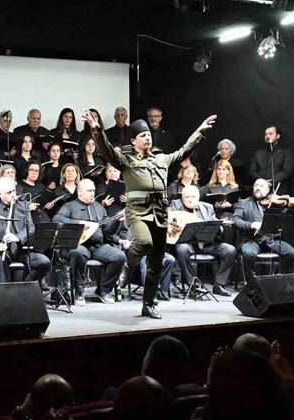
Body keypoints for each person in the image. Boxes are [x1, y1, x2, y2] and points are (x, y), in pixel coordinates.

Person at [86, 109, 217, 319]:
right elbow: (107, 150)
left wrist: (199, 131)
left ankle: (148, 304)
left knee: (156, 263)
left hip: (159, 214)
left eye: (148, 134)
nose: (147, 137)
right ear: (133, 140)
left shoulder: (161, 159)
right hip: (137, 212)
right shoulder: (126, 160)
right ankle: (127, 268)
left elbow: (184, 151)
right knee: (144, 243)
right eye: (142, 135)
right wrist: (96, 130)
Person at [52, 179, 126, 305]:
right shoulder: (70, 206)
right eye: (89, 191)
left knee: (119, 257)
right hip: (78, 245)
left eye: (93, 190)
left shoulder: (98, 207)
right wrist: (80, 223)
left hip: (97, 246)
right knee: (79, 253)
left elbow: (108, 231)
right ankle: (79, 292)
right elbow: (57, 219)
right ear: (80, 193)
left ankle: (103, 290)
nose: (92, 193)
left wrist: (117, 222)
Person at [169, 185, 237, 296]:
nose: (191, 199)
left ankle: (219, 284)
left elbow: (216, 223)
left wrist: (218, 228)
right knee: (182, 249)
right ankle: (191, 285)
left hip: (207, 244)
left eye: (193, 196)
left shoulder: (207, 207)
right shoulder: (175, 205)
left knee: (230, 250)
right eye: (187, 197)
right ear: (182, 198)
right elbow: (169, 221)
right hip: (187, 244)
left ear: (198, 197)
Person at [0, 177, 50, 286]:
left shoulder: (23, 206)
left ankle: (24, 288)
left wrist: (18, 237)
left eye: (14, 191)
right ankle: (3, 296)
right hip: (3, 251)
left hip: (21, 250)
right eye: (9, 192)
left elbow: (30, 228)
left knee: (44, 262)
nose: (13, 194)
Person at [232, 178, 294, 281]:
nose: (258, 188)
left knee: (290, 252)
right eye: (256, 185)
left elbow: (284, 220)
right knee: (248, 254)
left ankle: (280, 280)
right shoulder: (243, 203)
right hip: (251, 240)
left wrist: (290, 206)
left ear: (267, 191)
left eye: (261, 186)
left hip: (270, 240)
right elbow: (235, 220)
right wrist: (251, 224)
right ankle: (251, 282)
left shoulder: (274, 204)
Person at [249, 124, 294, 194]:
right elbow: (252, 171)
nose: (267, 136)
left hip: (279, 190)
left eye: (270, 134)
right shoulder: (258, 153)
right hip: (260, 191)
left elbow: (287, 171)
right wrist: (263, 182)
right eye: (266, 134)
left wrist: (272, 182)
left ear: (278, 136)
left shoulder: (285, 152)